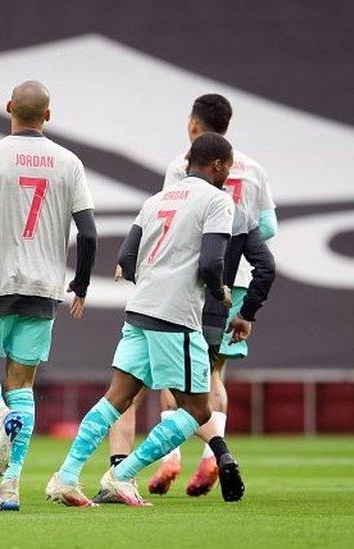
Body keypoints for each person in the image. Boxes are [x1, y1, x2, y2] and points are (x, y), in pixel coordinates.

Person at [46, 133, 244, 507]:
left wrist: (155, 281)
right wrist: (219, 292)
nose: (227, 177)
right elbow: (211, 262)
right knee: (198, 409)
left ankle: (67, 476)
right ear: (217, 165)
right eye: (227, 169)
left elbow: (126, 256)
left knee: (116, 398)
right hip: (176, 315)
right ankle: (122, 475)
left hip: (139, 309)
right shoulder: (218, 201)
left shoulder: (157, 200)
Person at [107, 94, 278, 498]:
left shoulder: (181, 167)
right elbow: (267, 225)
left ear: (193, 125)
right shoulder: (253, 169)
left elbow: (173, 223)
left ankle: (171, 457)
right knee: (212, 375)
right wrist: (233, 246)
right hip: (233, 283)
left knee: (174, 374)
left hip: (189, 285)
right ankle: (211, 455)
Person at [0, 81, 97, 512]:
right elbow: (89, 231)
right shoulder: (69, 162)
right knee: (22, 384)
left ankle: (0, 417)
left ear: (8, 108)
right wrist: (81, 285)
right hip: (44, 290)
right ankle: (9, 489)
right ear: (48, 115)